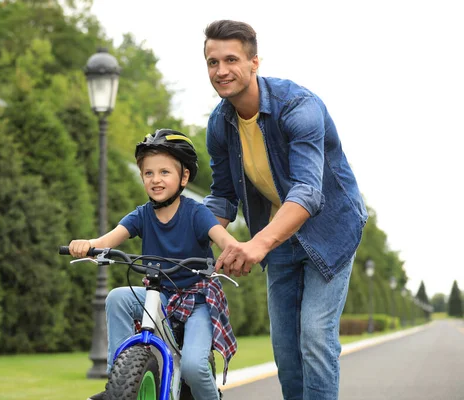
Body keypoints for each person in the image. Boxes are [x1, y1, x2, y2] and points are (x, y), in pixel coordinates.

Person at [201, 20, 368, 400]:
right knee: (286, 352)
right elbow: (223, 197)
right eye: (212, 62)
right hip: (277, 236)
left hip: (330, 229)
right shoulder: (219, 124)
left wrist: (257, 245)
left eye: (231, 59)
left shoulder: (299, 106)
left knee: (314, 336)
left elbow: (308, 192)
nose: (221, 71)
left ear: (254, 62)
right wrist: (192, 238)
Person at [68, 129, 238, 400]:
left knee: (194, 367)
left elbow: (225, 240)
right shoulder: (142, 215)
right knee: (118, 298)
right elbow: (107, 240)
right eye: (149, 173)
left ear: (184, 177)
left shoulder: (197, 213)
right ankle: (119, 379)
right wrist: (88, 245)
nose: (156, 180)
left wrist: (235, 253)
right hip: (158, 295)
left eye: (164, 172)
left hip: (197, 300)